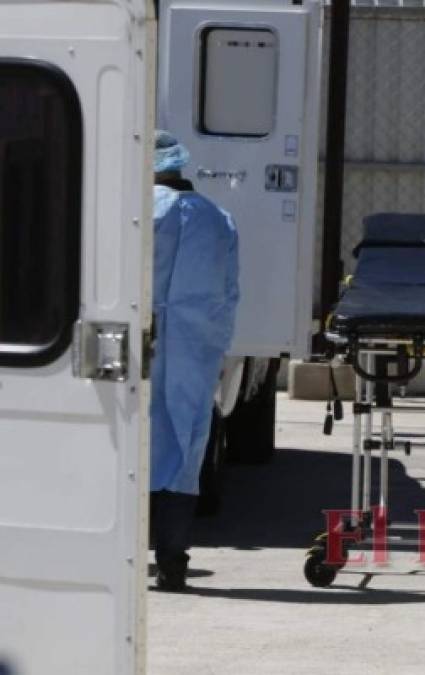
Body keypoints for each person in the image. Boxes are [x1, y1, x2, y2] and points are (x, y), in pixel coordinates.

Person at [150, 130, 239, 591]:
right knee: (184, 450)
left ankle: (124, 555)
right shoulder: (219, 219)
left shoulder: (140, 212)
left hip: (142, 349)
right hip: (196, 352)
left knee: (134, 447)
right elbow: (229, 296)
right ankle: (172, 562)